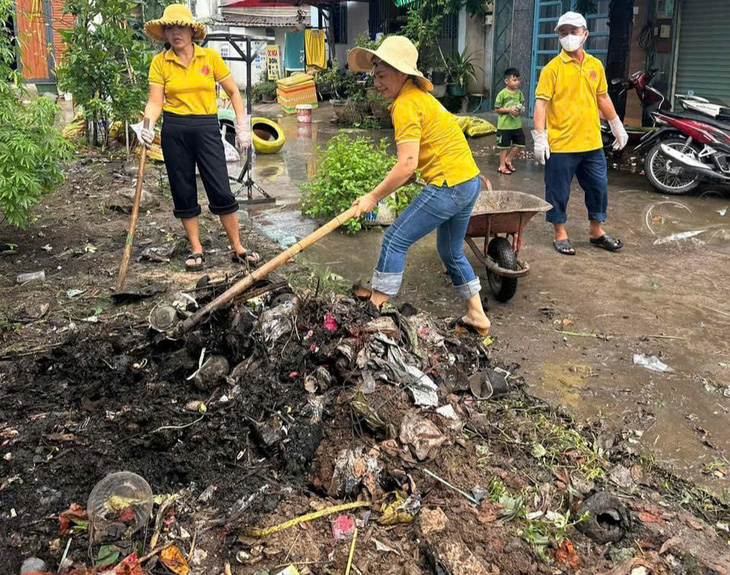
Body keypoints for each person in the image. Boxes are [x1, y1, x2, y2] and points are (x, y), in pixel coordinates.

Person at [347, 36, 491, 336]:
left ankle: (374, 309)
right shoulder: (421, 99)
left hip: (449, 185)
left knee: (395, 239)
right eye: (374, 75)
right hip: (468, 182)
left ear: (403, 74)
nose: (377, 83)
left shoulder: (406, 105)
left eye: (383, 75)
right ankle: (477, 315)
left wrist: (372, 197)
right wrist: (389, 186)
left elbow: (407, 165)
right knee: (450, 252)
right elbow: (413, 166)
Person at [140, 4, 259, 271]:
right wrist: (147, 124)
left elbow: (233, 92)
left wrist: (242, 125)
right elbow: (155, 102)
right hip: (174, 130)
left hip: (206, 128)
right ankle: (196, 248)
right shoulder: (161, 62)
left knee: (220, 187)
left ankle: (237, 246)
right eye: (170, 28)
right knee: (183, 189)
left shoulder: (209, 58)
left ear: (192, 30)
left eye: (180, 26)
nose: (175, 32)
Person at [532, 11, 628, 256]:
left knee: (599, 187)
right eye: (563, 33)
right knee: (558, 191)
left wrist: (616, 124)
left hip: (591, 143)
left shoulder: (595, 65)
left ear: (585, 34)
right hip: (561, 145)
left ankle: (596, 232)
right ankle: (560, 233)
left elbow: (602, 97)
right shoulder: (551, 69)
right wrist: (540, 137)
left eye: (573, 32)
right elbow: (541, 104)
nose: (568, 37)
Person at [494, 67, 526, 175]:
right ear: (506, 81)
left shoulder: (519, 94)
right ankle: (502, 166)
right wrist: (509, 110)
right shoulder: (502, 94)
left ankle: (508, 159)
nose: (517, 82)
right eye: (514, 80)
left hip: (516, 125)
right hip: (504, 126)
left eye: (518, 80)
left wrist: (522, 109)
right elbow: (497, 109)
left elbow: (522, 104)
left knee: (521, 144)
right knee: (503, 147)